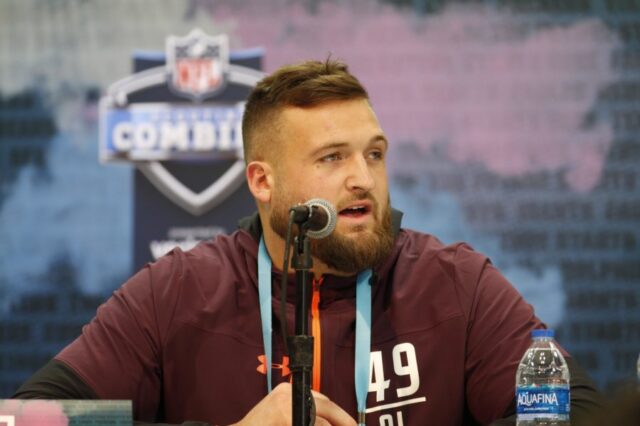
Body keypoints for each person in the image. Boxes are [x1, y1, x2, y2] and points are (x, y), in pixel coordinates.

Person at [14, 59, 602, 425]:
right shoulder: (178, 292)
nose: (363, 178)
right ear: (262, 182)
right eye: (332, 158)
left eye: (374, 154)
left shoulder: (456, 283)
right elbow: (28, 420)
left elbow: (581, 414)